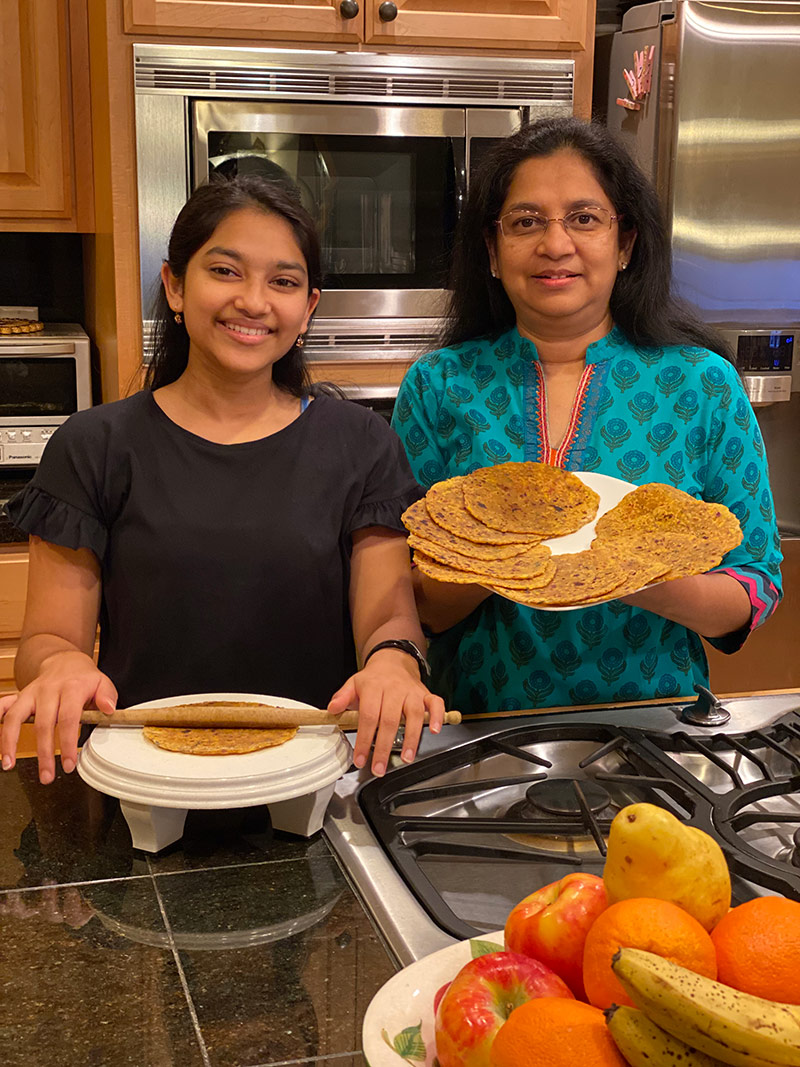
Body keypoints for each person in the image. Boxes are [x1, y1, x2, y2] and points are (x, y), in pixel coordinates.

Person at [1, 176, 444, 783]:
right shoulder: (93, 446)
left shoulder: (364, 445)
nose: (254, 302)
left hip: (320, 779)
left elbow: (388, 620)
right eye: (225, 271)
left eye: (283, 282)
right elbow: (47, 639)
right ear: (175, 286)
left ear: (308, 308)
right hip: (145, 779)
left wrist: (394, 663)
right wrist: (58, 666)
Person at [391, 118, 783, 715]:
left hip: (656, 724)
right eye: (526, 222)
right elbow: (410, 599)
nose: (555, 245)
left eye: (584, 218)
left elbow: (755, 585)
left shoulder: (702, 384)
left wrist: (632, 573)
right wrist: (496, 558)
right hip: (476, 725)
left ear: (625, 244)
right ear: (492, 251)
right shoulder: (439, 386)